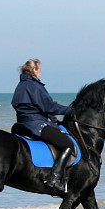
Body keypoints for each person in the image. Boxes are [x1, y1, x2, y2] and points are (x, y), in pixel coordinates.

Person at [11, 58, 76, 194]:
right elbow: (49, 106)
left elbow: (28, 107)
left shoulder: (20, 85)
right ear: (34, 70)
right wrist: (69, 110)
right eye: (39, 70)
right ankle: (55, 179)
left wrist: (49, 118)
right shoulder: (35, 86)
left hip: (21, 124)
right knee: (68, 145)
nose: (40, 73)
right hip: (36, 125)